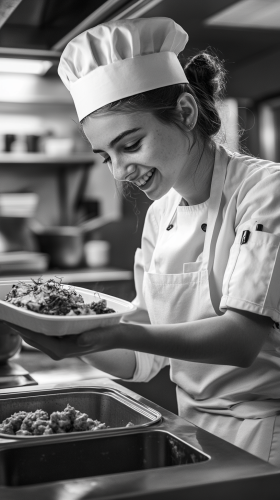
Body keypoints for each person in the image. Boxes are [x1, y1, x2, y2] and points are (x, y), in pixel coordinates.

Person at [8, 17, 280, 466]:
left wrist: (112, 330)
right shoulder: (161, 215)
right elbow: (138, 357)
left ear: (187, 113)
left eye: (130, 145)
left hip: (265, 437)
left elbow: (240, 339)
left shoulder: (264, 192)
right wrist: (59, 331)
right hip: (194, 433)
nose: (119, 172)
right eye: (106, 156)